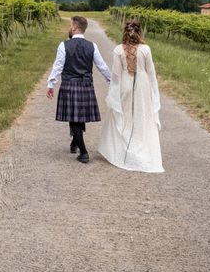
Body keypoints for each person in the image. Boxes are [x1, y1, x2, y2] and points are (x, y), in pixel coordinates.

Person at [98, 20, 163, 172]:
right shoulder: (146, 49)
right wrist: (154, 93)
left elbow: (115, 75)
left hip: (125, 85)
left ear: (125, 31)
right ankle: (140, 146)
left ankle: (125, 148)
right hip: (143, 86)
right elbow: (151, 74)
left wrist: (113, 94)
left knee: (125, 116)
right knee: (141, 116)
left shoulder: (118, 50)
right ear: (140, 32)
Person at [47, 16, 111, 163]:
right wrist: (111, 80)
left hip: (69, 84)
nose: (69, 27)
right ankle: (75, 143)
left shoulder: (64, 46)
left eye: (70, 25)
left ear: (75, 28)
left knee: (74, 118)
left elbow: (58, 66)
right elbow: (102, 66)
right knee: (77, 116)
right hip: (86, 85)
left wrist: (51, 84)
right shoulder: (92, 46)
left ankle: (83, 152)